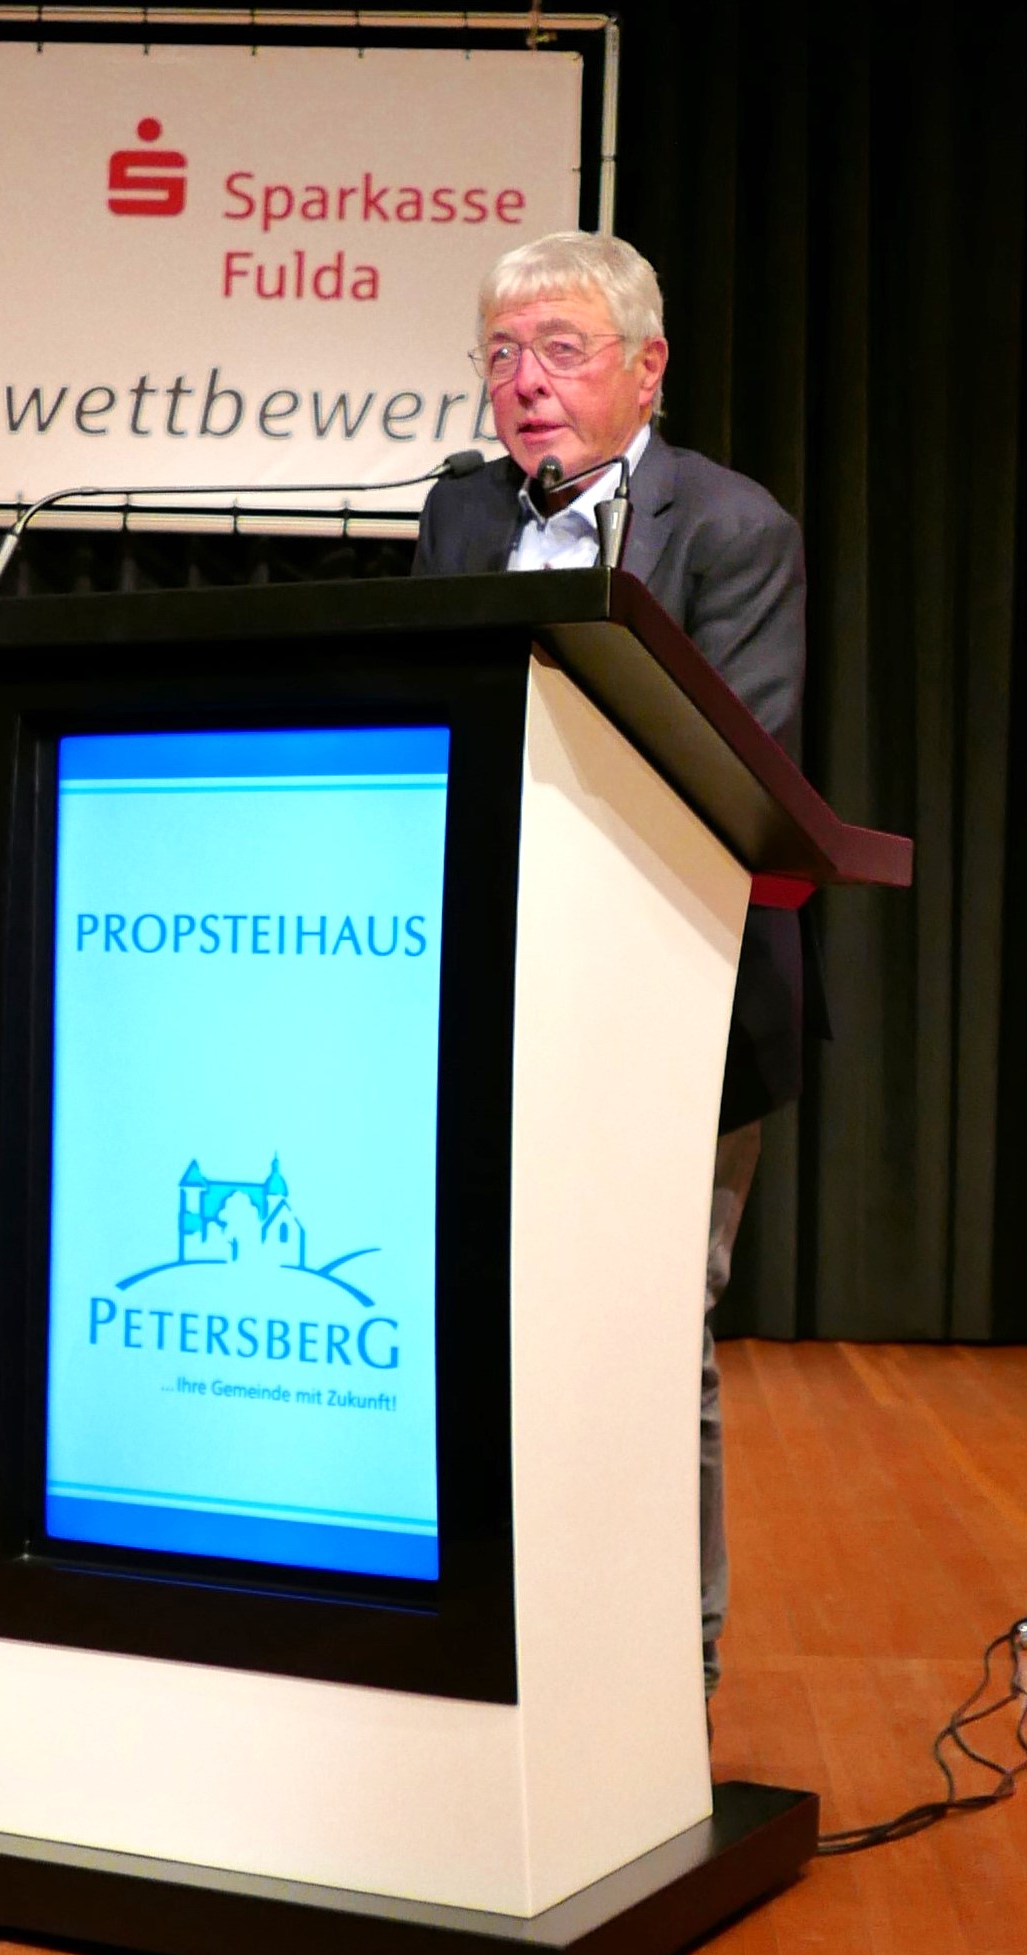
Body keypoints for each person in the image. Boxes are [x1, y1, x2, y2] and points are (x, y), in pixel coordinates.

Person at [414, 230, 807, 1705]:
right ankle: (496, 1626)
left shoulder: (733, 527)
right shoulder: (463, 513)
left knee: (648, 1332)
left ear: (648, 369)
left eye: (561, 351)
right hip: (485, 984)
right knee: (486, 1320)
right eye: (502, 355)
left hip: (674, 991)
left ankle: (665, 1664)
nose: (525, 383)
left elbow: (737, 767)